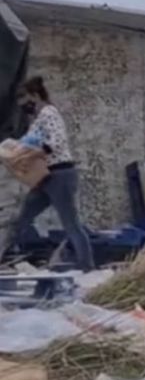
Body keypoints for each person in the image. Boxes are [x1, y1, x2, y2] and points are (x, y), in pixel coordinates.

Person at [6, 77, 94, 271]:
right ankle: (8, 256)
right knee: (22, 217)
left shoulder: (49, 113)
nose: (22, 104)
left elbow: (56, 142)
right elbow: (27, 144)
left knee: (70, 223)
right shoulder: (37, 120)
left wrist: (29, 156)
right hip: (44, 177)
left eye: (25, 98)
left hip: (60, 174)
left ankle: (87, 267)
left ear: (36, 95)